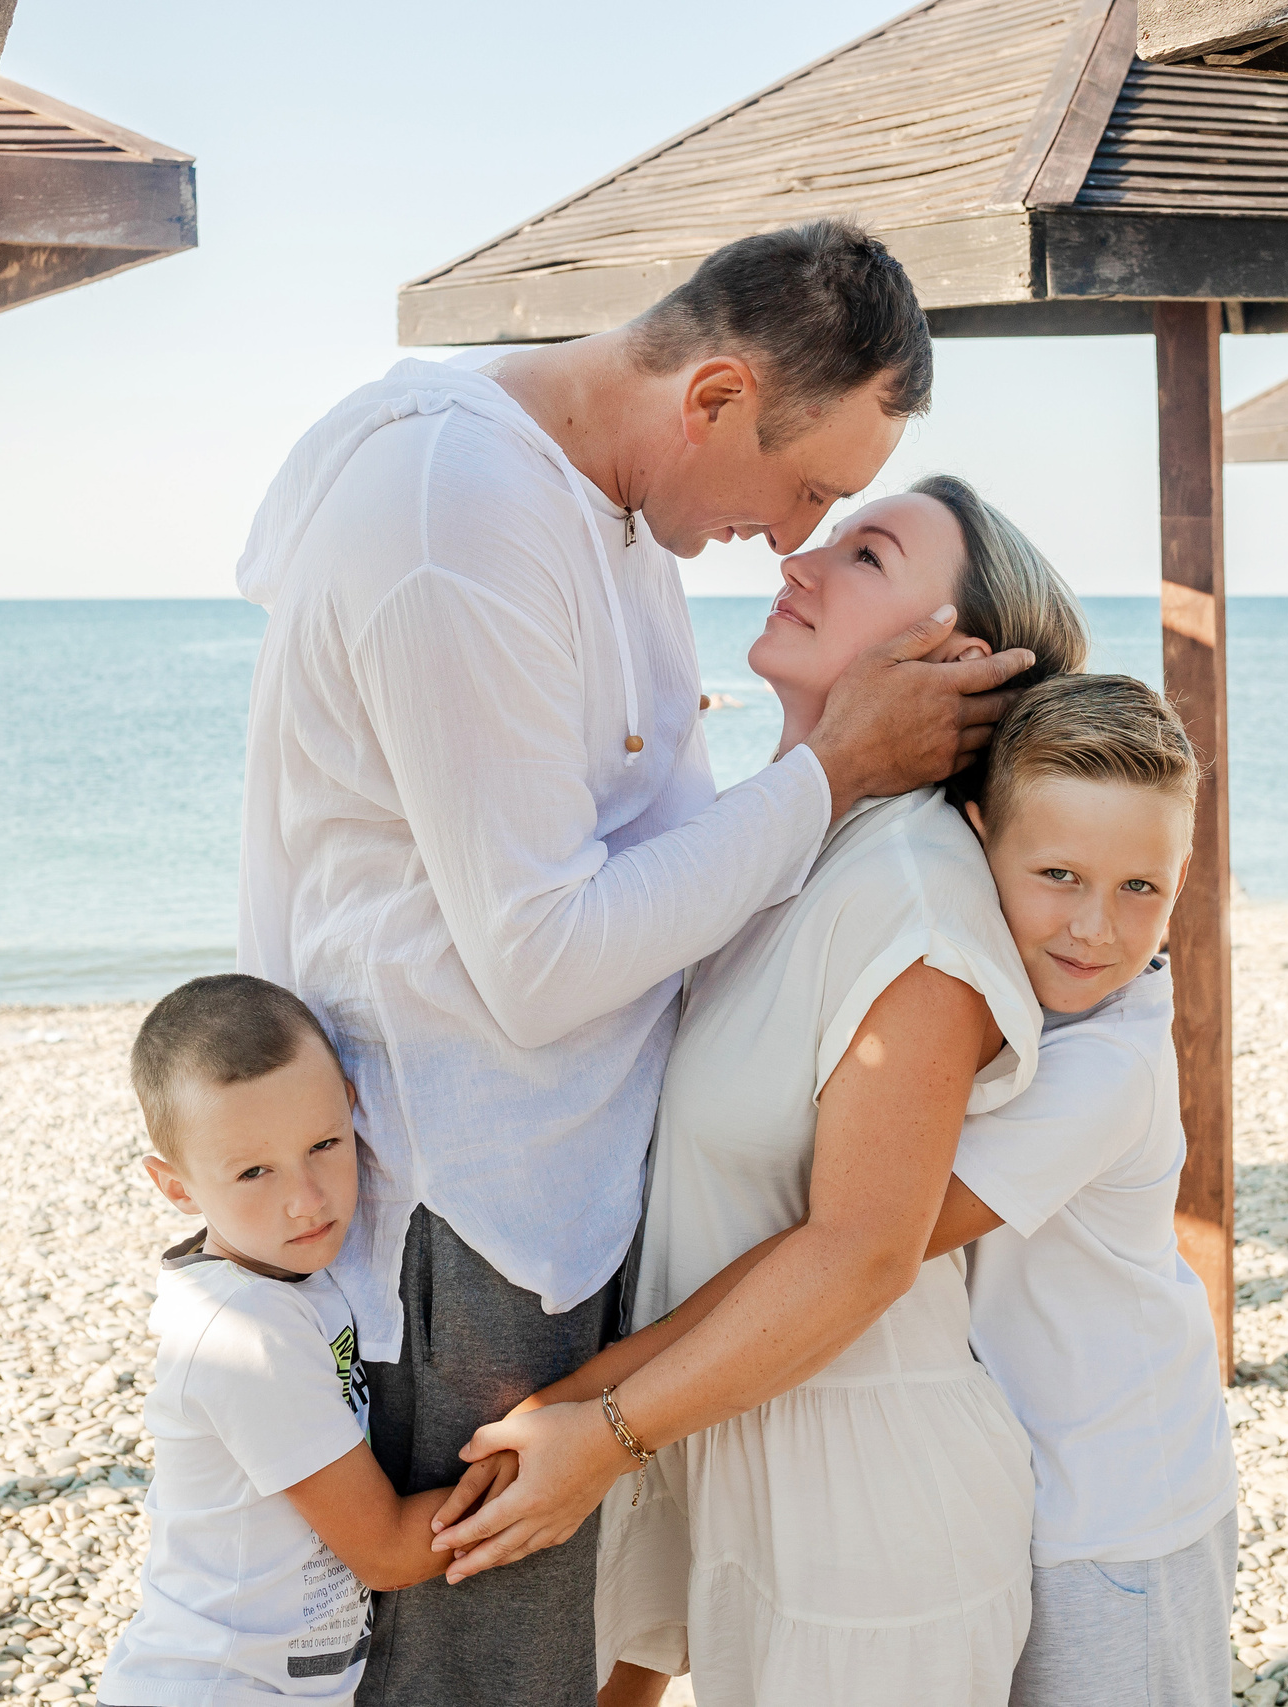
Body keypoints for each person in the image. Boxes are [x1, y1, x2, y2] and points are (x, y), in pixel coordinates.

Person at [231, 222, 1036, 1707]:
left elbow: (660, 871)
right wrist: (831, 776)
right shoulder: (456, 517)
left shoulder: (613, 505)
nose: (792, 533)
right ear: (716, 396)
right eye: (808, 488)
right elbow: (541, 959)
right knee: (477, 1669)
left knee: (561, 1657)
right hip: (464, 1192)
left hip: (562, 1190)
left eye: (845, 521)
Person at [428, 475, 1090, 1707]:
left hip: (864, 1500)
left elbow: (860, 1254)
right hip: (721, 1439)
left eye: (866, 556)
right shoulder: (771, 847)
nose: (800, 562)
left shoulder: (917, 898)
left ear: (953, 657)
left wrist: (602, 1435)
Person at [937, 673, 1239, 1707]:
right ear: (974, 845)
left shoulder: (1106, 1065)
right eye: (1058, 873)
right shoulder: (1029, 1013)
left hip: (1120, 1515)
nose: (1095, 929)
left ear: (1183, 875)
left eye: (1138, 889)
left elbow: (888, 1228)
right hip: (1052, 1490)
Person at [96, 975, 467, 1707]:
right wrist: (564, 1467)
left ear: (352, 1114)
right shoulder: (243, 1336)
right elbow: (389, 1550)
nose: (308, 1199)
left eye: (324, 1143)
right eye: (254, 1171)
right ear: (177, 1189)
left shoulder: (286, 1271)